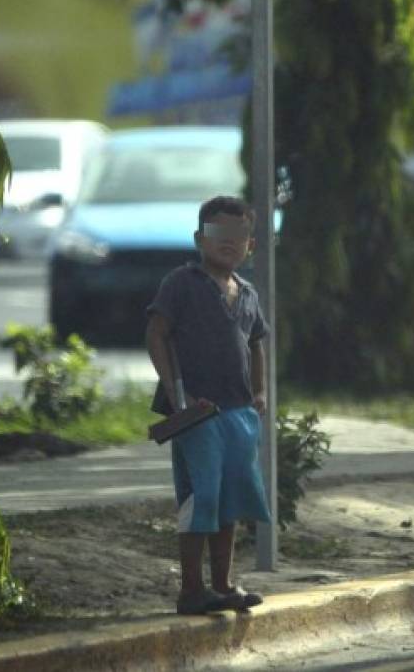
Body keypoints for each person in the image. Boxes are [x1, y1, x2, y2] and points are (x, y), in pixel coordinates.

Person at [145, 195, 272, 616]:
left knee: (231, 499)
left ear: (250, 245)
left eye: (239, 236)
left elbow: (256, 344)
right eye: (219, 234)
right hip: (197, 413)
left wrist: (259, 392)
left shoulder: (249, 294)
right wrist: (174, 391)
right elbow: (156, 334)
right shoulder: (181, 283)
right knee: (200, 498)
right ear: (200, 238)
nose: (229, 243)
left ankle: (223, 584)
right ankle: (192, 589)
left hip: (239, 413)